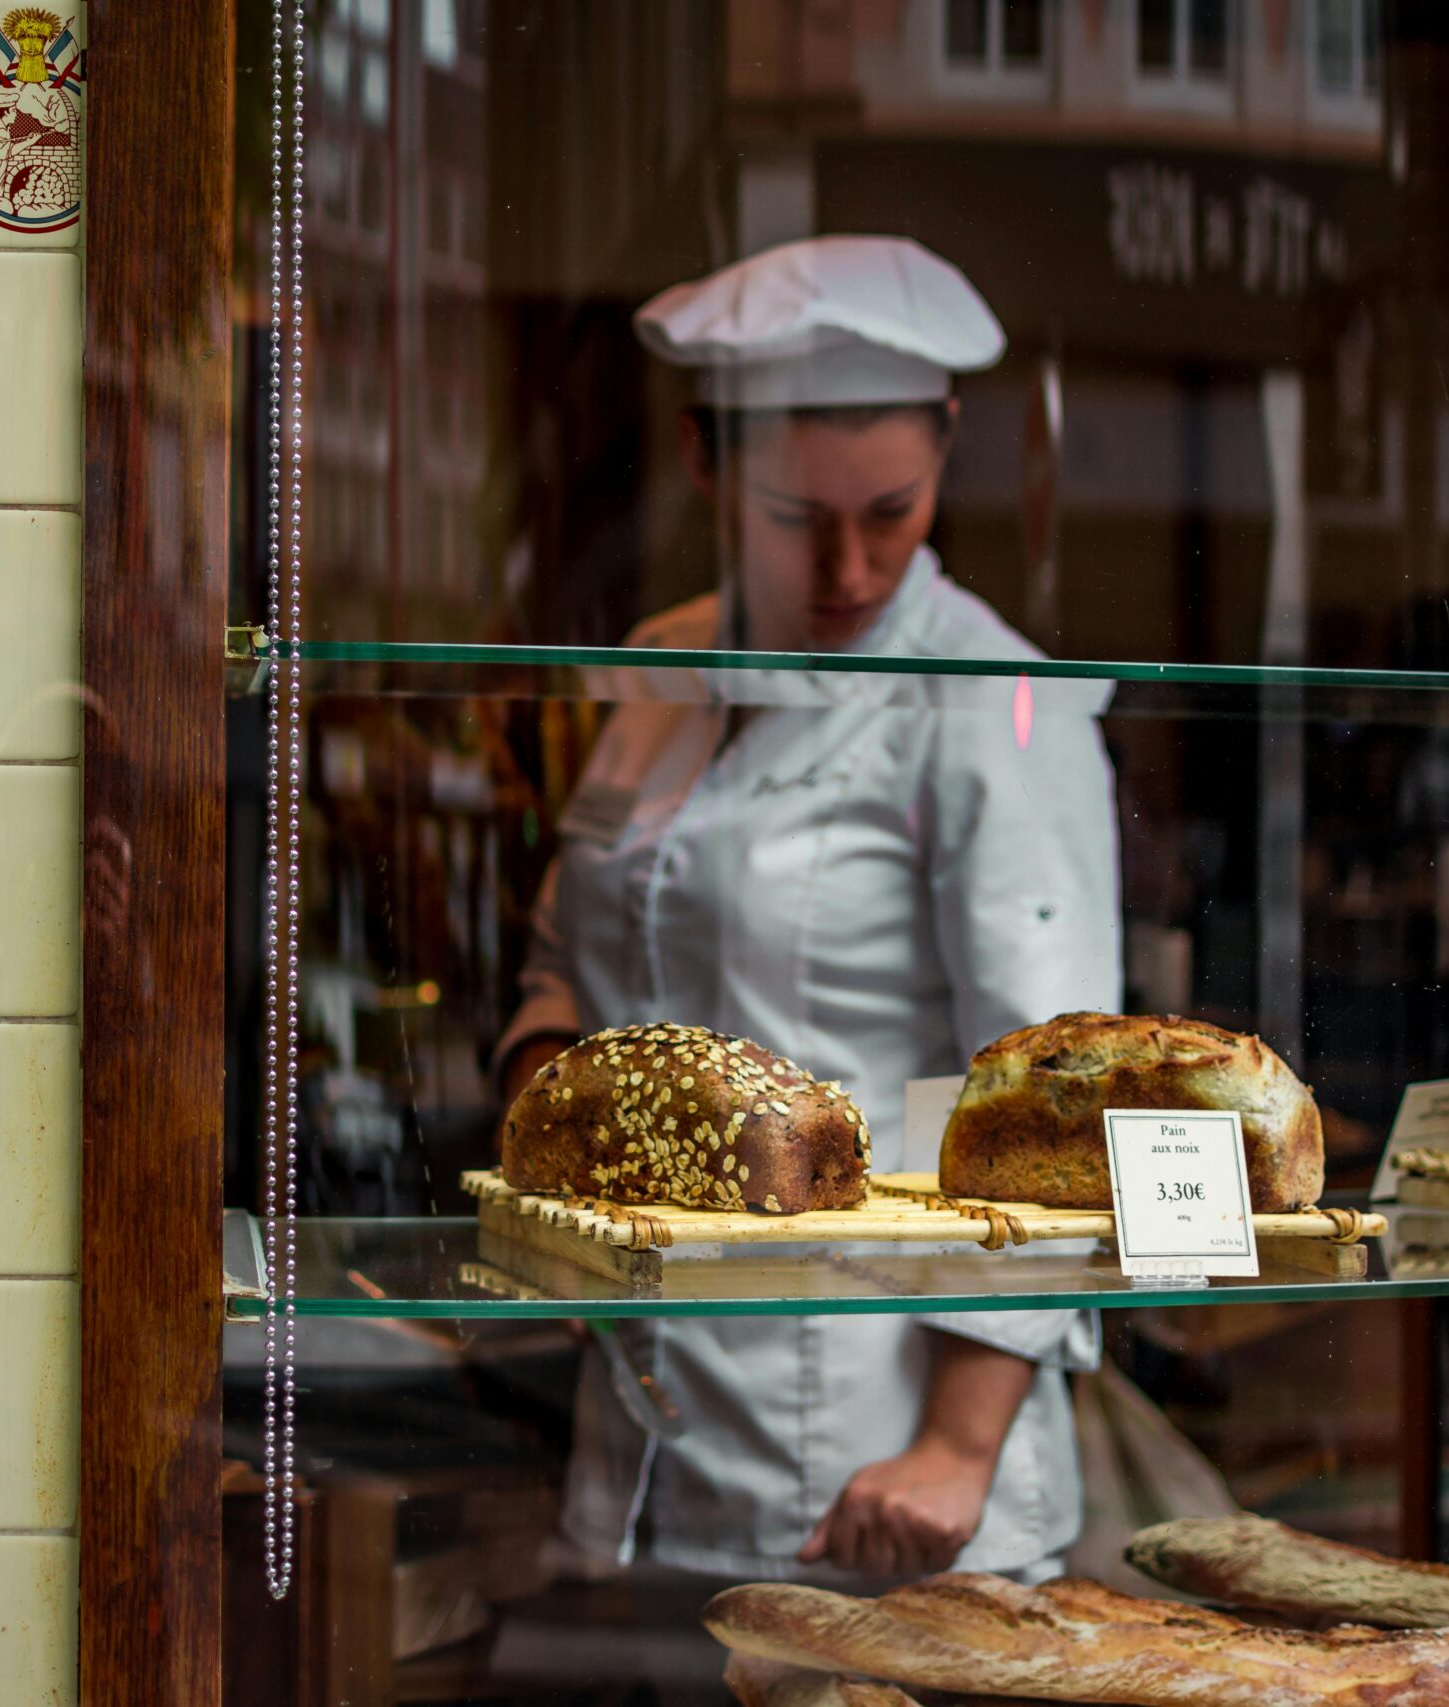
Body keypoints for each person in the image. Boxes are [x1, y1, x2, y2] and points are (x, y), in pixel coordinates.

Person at [494, 236, 1123, 1590]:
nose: (848, 567)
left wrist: (955, 1449)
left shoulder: (998, 703)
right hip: (644, 1442)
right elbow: (569, 956)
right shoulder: (660, 668)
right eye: (794, 517)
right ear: (704, 461)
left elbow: (1051, 1113)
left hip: (877, 1473)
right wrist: (551, 1126)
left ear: (951, 448)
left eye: (890, 511)